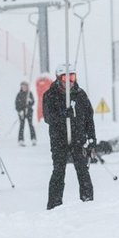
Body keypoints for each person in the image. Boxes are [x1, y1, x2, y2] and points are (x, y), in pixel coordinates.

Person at [43, 64, 95, 209]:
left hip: (78, 139)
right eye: (65, 77)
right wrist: (62, 115)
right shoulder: (50, 95)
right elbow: (48, 117)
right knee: (59, 171)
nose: (69, 81)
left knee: (82, 170)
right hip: (59, 139)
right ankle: (54, 205)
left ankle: (88, 201)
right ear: (59, 78)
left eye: (72, 77)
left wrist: (92, 139)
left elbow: (89, 119)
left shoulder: (80, 95)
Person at [15, 80, 37, 147]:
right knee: (22, 125)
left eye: (25, 86)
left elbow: (33, 102)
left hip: (29, 112)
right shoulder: (19, 94)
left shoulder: (29, 94)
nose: (24, 88)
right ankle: (20, 140)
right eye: (22, 86)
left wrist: (30, 101)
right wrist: (19, 111)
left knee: (30, 125)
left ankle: (33, 139)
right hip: (22, 112)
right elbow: (17, 104)